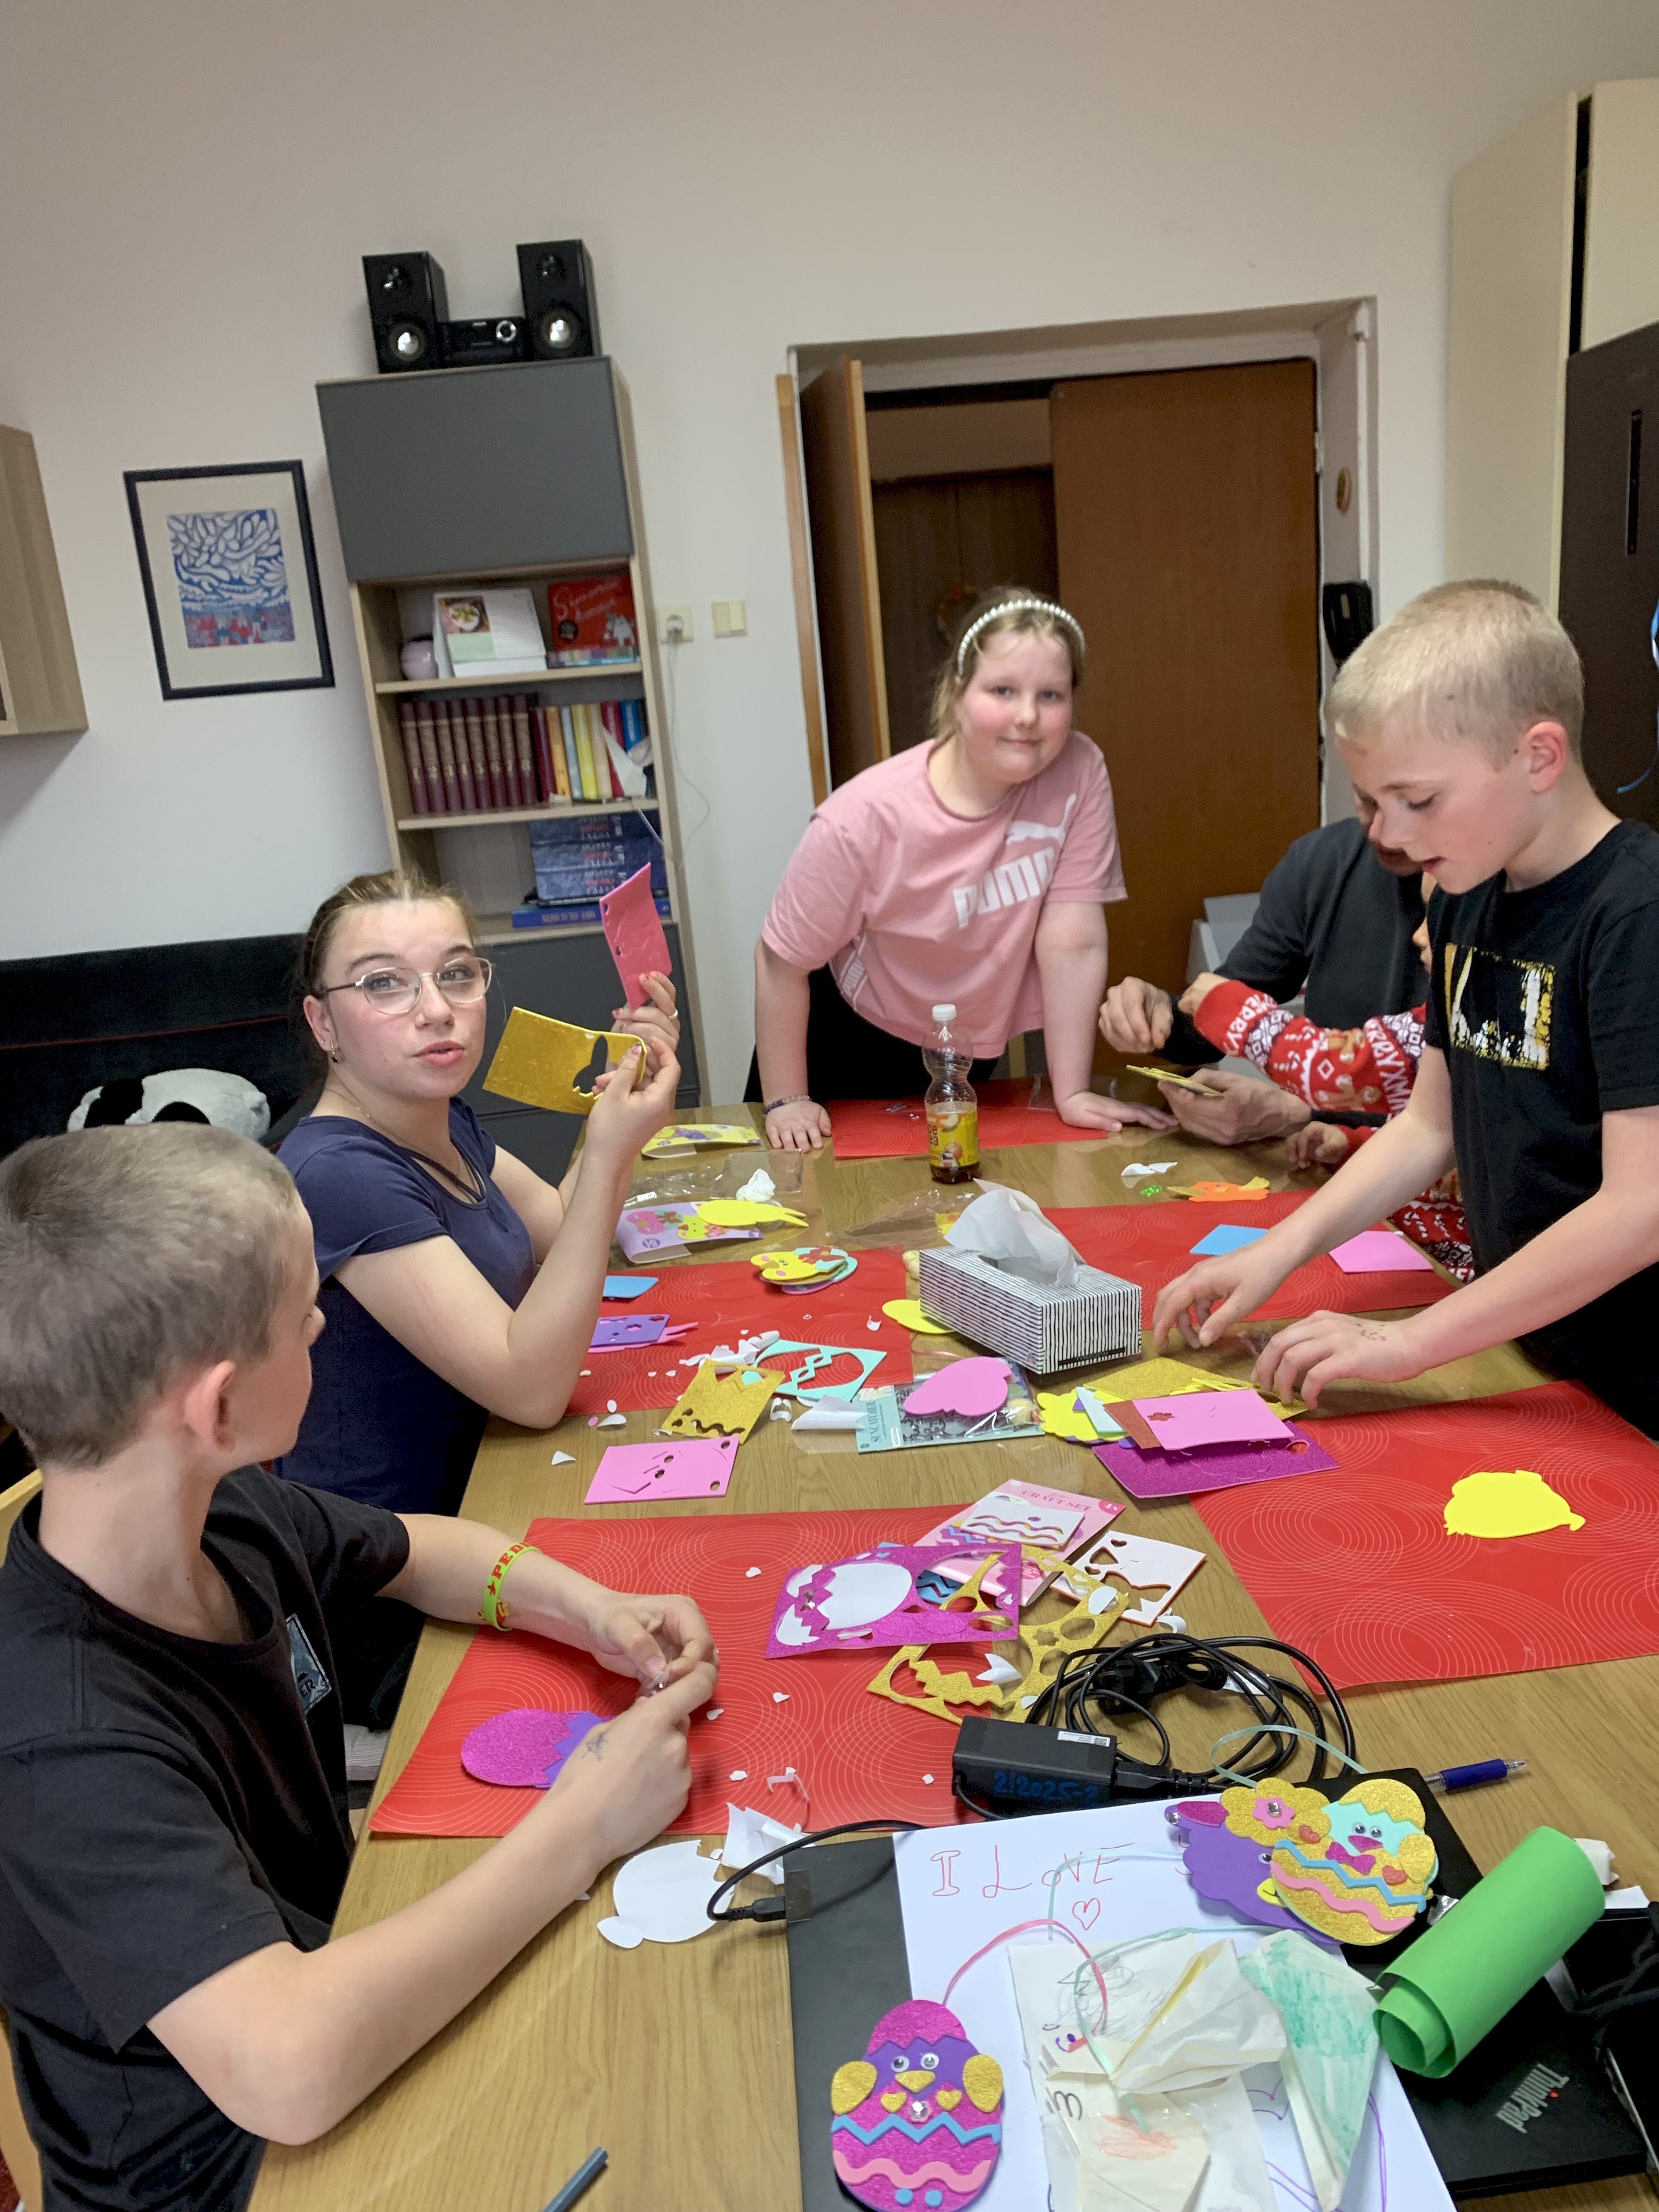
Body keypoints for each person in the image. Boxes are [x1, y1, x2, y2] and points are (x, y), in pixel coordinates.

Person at [0, 1122, 715, 2212]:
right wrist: (583, 1826)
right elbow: (288, 2069)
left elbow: (421, 1551)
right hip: (235, 2168)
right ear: (217, 1406)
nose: (324, 1325)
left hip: (339, 1993)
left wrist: (590, 1610)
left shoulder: (221, 1507)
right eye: (304, 1318)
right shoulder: (62, 1741)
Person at [1152, 580, 1659, 1430]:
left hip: (1634, 1382)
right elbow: (1429, 1126)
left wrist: (1407, 1344)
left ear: (1539, 757)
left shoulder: (1636, 914)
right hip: (1523, 1350)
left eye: (1417, 801)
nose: (1387, 834)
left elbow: (1640, 1209)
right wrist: (1276, 1252)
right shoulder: (1466, 894)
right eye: (1374, 803)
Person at [276, 868, 680, 1724]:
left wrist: (619, 1104)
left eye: (457, 973)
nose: (437, 1009)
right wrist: (610, 1150)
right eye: (385, 984)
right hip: (396, 1598)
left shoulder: (435, 1115)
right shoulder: (337, 1172)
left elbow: (562, 1228)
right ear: (324, 1023)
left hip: (493, 1498)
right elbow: (531, 1390)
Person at [749, 587, 1175, 1150]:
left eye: (1051, 694)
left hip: (959, 1049)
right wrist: (787, 1101)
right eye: (1003, 690)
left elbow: (1072, 942)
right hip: (843, 1046)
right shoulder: (863, 818)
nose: (1028, 716)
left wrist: (1071, 1092)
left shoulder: (1078, 770)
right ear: (957, 692)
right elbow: (779, 962)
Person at [1180, 885, 1474, 1280]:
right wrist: (1355, 1146)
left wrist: (1231, 1009)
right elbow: (1429, 1131)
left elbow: (1337, 1070)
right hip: (1400, 1250)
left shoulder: (1469, 1017)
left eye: (1439, 914)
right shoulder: (1450, 1010)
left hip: (1457, 1280)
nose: (1419, 936)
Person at [1097, 800, 1426, 1146]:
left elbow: (1434, 1113)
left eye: (1415, 801)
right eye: (1367, 800)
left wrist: (1293, 1107)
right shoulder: (1323, 862)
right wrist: (1165, 1015)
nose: (1380, 831)